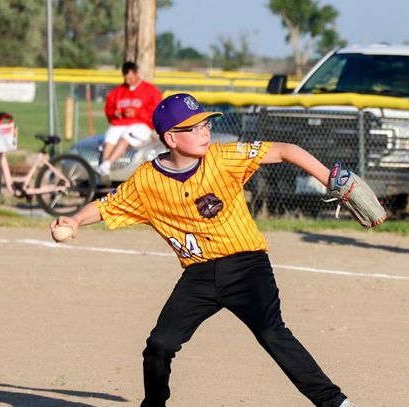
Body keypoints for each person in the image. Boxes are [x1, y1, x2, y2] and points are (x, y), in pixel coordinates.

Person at [51, 93, 357, 407]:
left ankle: (335, 403)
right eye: (193, 128)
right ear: (170, 138)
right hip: (198, 277)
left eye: (205, 124)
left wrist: (331, 180)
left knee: (272, 332)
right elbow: (107, 206)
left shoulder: (223, 158)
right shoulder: (147, 181)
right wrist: (74, 220)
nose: (204, 132)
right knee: (159, 345)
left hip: (247, 266)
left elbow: (285, 150)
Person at [99, 61, 162, 179]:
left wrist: (137, 112)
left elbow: (156, 113)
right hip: (120, 123)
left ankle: (106, 164)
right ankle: (104, 170)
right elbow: (109, 109)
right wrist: (114, 113)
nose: (128, 81)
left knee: (125, 137)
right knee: (110, 139)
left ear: (137, 73)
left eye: (130, 78)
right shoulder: (117, 92)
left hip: (141, 125)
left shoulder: (151, 91)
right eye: (126, 78)